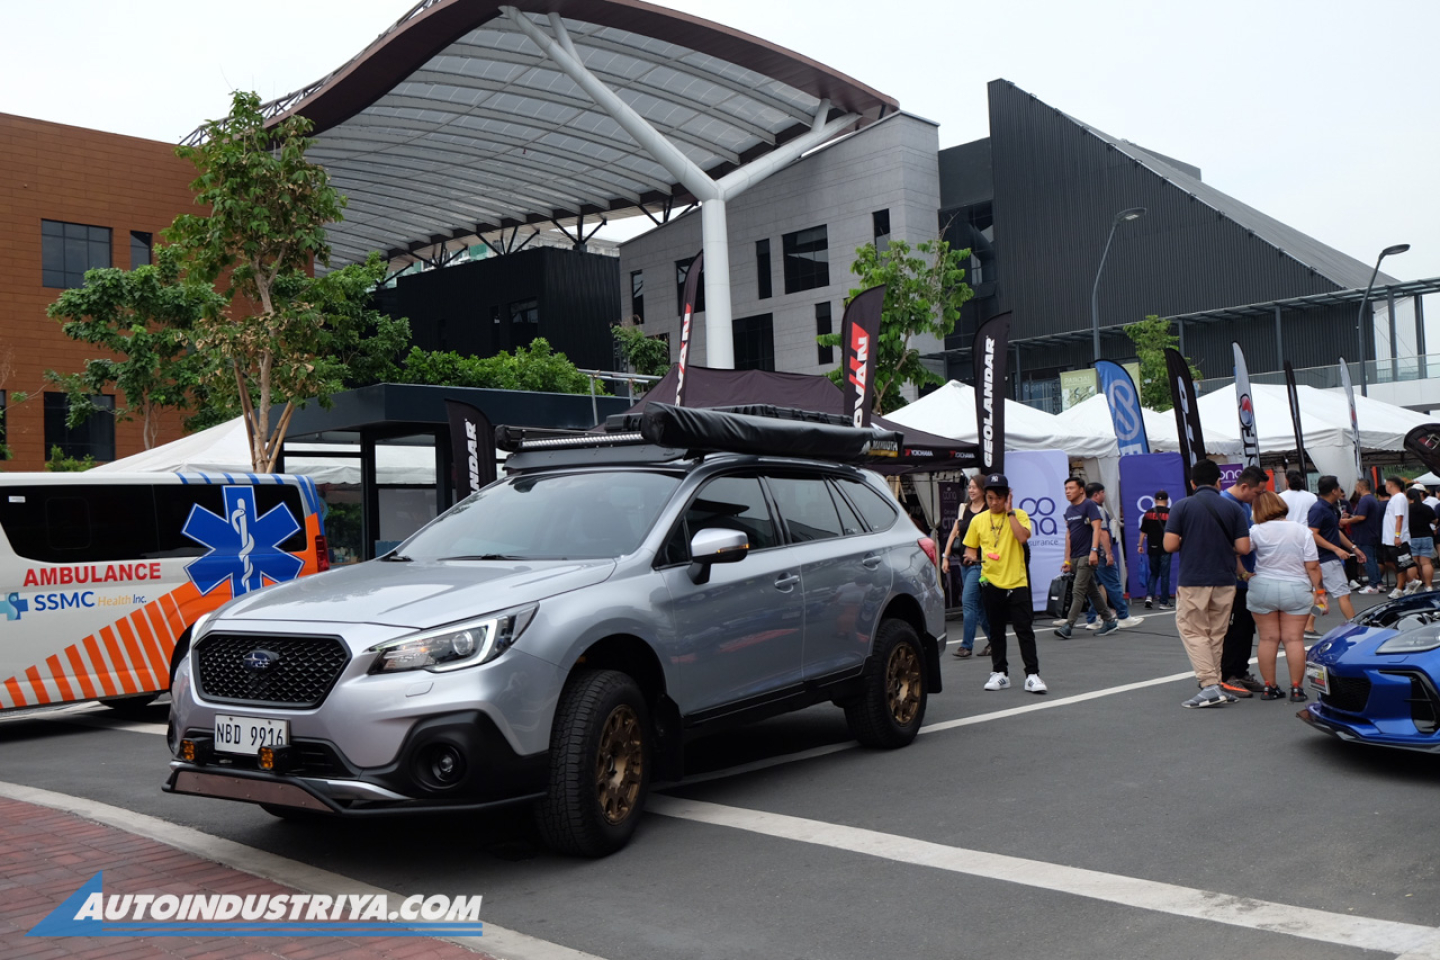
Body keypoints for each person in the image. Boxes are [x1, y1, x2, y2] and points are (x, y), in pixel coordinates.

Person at [1164, 459, 1252, 709]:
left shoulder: (1182, 506)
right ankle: (1217, 683)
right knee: (1216, 633)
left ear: (1192, 483)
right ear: (1218, 481)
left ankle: (1209, 685)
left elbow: (1170, 545)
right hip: (1225, 580)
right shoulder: (1233, 509)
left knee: (1193, 630)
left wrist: (1190, 540)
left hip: (1194, 578)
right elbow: (1243, 548)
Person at [961, 473, 1047, 694]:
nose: (994, 502)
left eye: (999, 497)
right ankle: (1000, 673)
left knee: (1024, 629)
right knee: (996, 630)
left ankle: (1032, 675)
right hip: (991, 582)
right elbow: (970, 548)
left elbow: (1022, 538)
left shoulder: (1019, 515)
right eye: (990, 497)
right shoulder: (978, 520)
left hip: (1017, 582)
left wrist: (1010, 512)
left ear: (1008, 496)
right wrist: (971, 557)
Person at [1245, 490, 1323, 702]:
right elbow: (1313, 566)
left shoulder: (1255, 530)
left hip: (1263, 587)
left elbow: (1238, 551)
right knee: (1294, 639)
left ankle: (1270, 687)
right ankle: (1297, 688)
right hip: (1296, 588)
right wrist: (1320, 592)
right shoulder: (1302, 531)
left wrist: (1243, 574)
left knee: (1268, 639)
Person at [1220, 466, 1269, 698]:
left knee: (1246, 628)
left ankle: (1241, 671)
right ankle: (1228, 675)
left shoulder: (1244, 505)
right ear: (1244, 486)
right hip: (1231, 578)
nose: (1259, 497)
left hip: (1247, 577)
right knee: (1232, 629)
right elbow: (1223, 543)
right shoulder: (1224, 503)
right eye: (1258, 492)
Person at [1304, 475, 1366, 638]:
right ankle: (1355, 627)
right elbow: (1312, 533)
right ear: (1334, 490)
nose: (1341, 491)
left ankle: (1308, 626)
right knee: (1343, 594)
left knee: (1320, 593)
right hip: (1326, 558)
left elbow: (1334, 532)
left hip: (1324, 557)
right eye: (1339, 488)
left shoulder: (1329, 508)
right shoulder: (1319, 509)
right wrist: (1336, 549)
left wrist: (1353, 547)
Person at [1056, 477, 1118, 638]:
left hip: (1087, 555)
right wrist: (1067, 560)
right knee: (1093, 591)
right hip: (1075, 557)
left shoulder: (1089, 505)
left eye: (1071, 488)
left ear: (1081, 490)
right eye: (1066, 489)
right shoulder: (1069, 511)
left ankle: (1068, 626)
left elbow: (1097, 529)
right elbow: (1068, 536)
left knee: (1078, 590)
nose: (1067, 491)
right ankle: (1109, 620)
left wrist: (1094, 550)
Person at [942, 474, 994, 659]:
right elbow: (954, 533)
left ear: (983, 489)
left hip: (980, 565)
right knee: (978, 606)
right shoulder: (963, 508)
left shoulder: (989, 510)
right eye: (969, 487)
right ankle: (994, 641)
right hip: (964, 563)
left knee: (968, 602)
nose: (970, 490)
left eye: (974, 487)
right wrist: (945, 557)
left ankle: (966, 646)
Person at [1082, 483, 1143, 628]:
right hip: (1100, 553)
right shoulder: (1097, 510)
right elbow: (1102, 533)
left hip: (1088, 553)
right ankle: (1123, 615)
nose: (1104, 495)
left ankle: (1092, 619)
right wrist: (1108, 553)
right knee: (1113, 584)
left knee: (1093, 587)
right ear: (1097, 494)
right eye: (1103, 492)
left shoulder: (1083, 509)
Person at [1342, 479, 1383, 593]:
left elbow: (1361, 517)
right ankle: (1378, 583)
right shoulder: (1372, 499)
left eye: (1356, 486)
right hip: (1371, 533)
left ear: (1360, 487)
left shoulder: (1365, 500)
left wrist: (1347, 521)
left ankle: (1373, 585)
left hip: (1365, 534)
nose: (1356, 489)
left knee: (1367, 559)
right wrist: (1351, 516)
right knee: (1372, 559)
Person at [1138, 491, 1172, 608]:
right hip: (1166, 547)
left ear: (1154, 500)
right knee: (1165, 575)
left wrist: (1140, 545)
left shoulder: (1148, 513)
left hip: (1152, 547)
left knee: (1154, 573)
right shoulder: (1170, 513)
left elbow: (1143, 531)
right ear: (1167, 500)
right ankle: (1163, 602)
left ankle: (1149, 596)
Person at [1381, 475, 1412, 599]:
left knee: (1401, 563)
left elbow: (1400, 517)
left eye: (1387, 484)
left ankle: (1400, 587)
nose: (1386, 486)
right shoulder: (1395, 498)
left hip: (1396, 537)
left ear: (1391, 485)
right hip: (1389, 537)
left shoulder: (1399, 497)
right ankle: (1409, 581)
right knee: (1391, 561)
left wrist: (1397, 535)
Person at [1404, 487, 1436, 591]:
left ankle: (1413, 586)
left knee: (1413, 563)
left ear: (1408, 497)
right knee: (1426, 563)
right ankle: (1429, 586)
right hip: (1427, 536)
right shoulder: (1426, 508)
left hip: (1412, 538)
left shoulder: (1407, 509)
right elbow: (1435, 521)